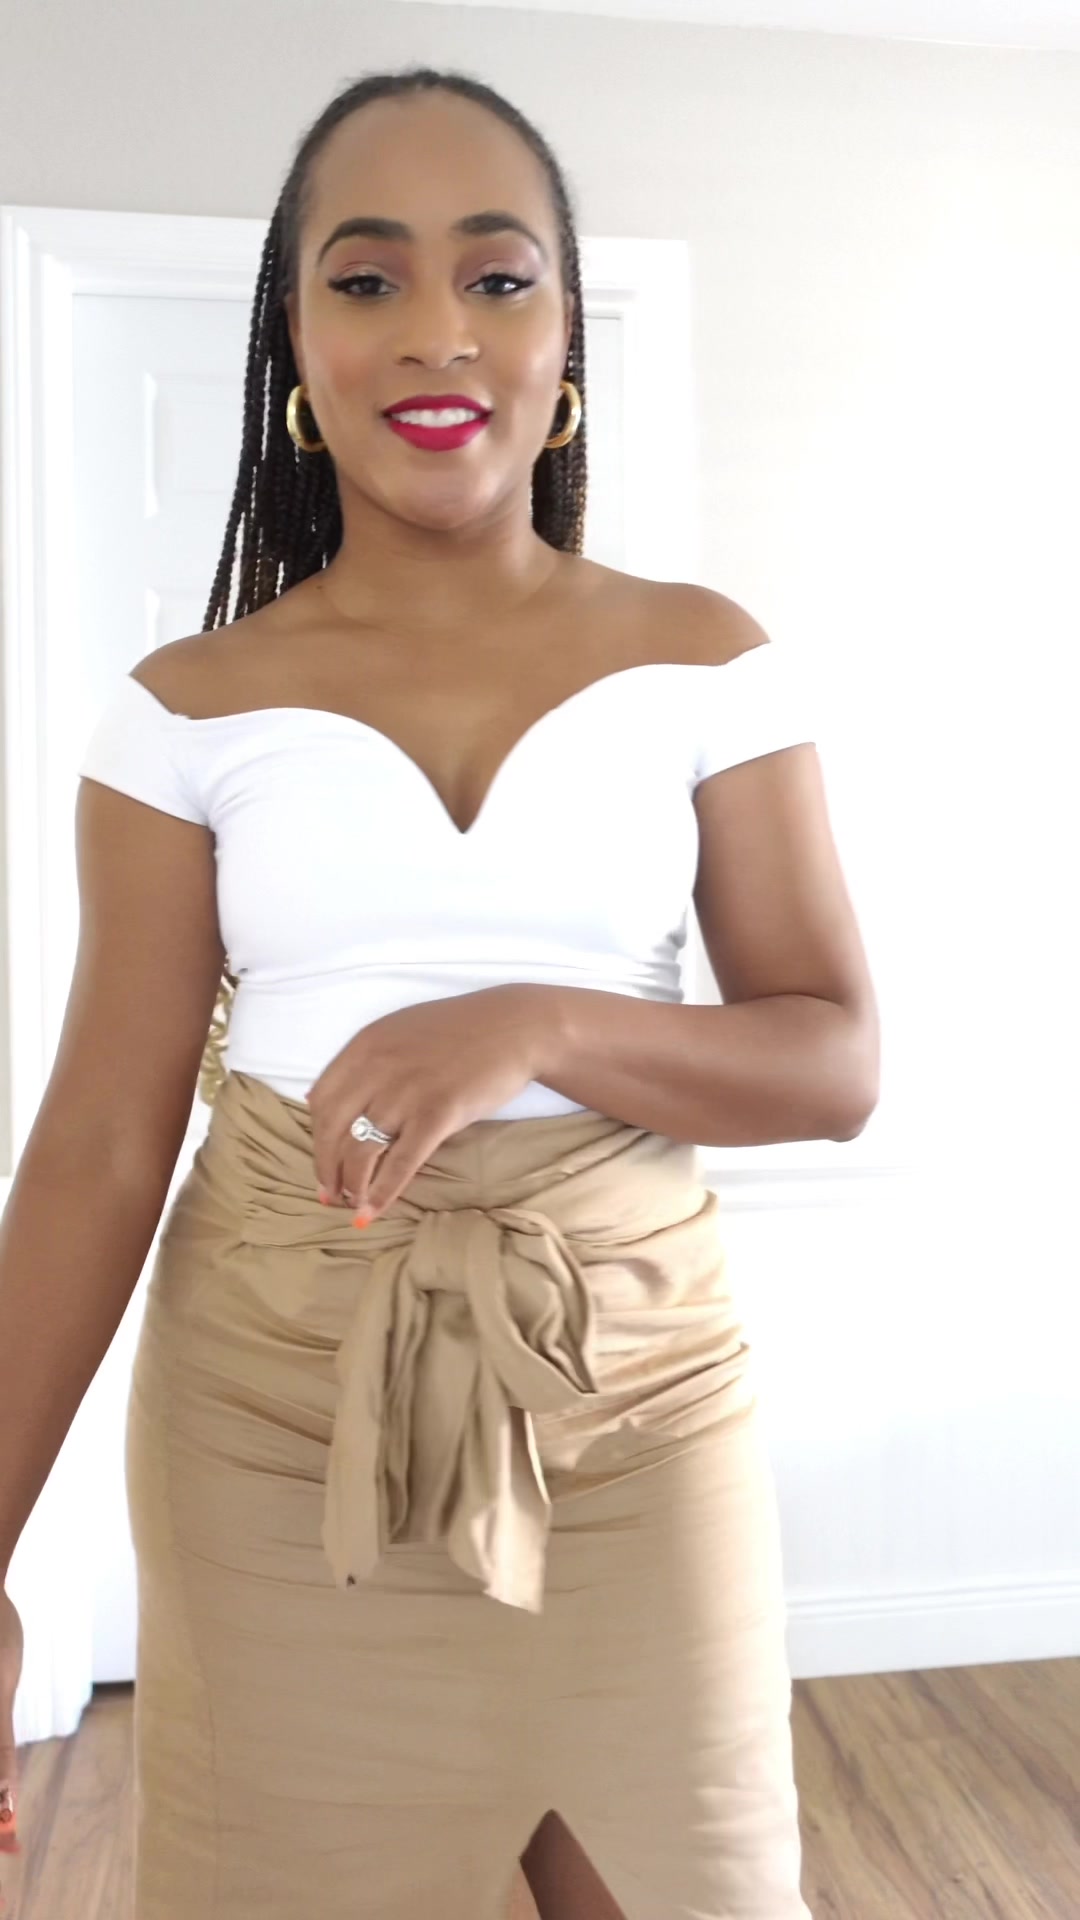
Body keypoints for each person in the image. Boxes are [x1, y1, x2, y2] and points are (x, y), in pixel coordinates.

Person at [0, 65, 879, 1920]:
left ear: (565, 345)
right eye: (366, 276)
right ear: (295, 351)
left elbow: (832, 1061)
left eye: (495, 277)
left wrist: (537, 1024)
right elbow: (96, 1150)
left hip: (640, 1411)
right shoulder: (181, 715)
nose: (436, 331)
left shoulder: (707, 661)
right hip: (271, 1434)